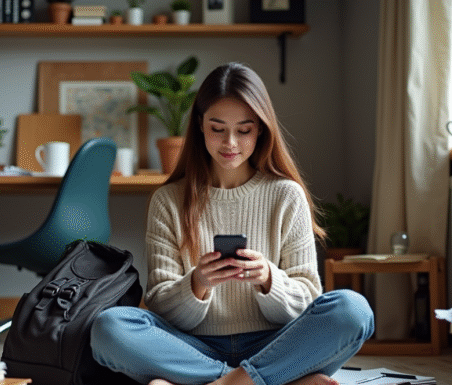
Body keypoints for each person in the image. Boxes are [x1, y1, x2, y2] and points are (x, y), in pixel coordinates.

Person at [91, 62, 374, 385]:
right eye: (217, 128)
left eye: (244, 130)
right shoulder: (168, 200)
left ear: (261, 129)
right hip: (194, 348)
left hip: (275, 344)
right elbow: (161, 304)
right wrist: (198, 282)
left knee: (353, 310)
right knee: (109, 327)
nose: (230, 144)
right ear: (199, 125)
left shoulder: (286, 195)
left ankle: (224, 381)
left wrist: (269, 279)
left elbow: (307, 299)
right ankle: (256, 381)